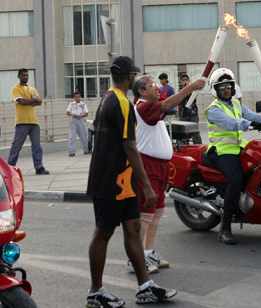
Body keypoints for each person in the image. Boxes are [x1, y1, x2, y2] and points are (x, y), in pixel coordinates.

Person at [86, 56, 177, 307]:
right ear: (130, 77)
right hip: (110, 180)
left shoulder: (107, 98)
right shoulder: (123, 104)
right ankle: (96, 292)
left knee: (133, 229)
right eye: (135, 75)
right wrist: (146, 184)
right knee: (103, 232)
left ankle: (145, 286)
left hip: (122, 181)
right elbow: (130, 146)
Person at [126, 74, 205, 274]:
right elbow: (165, 106)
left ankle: (148, 251)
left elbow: (166, 105)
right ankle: (135, 258)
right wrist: (190, 88)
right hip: (148, 166)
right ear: (142, 91)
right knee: (145, 213)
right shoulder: (143, 107)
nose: (157, 88)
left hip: (162, 167)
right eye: (152, 85)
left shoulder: (154, 106)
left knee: (157, 211)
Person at [204, 68, 261, 245]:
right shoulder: (213, 109)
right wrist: (253, 125)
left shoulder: (236, 105)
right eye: (222, 87)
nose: (226, 89)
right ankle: (225, 228)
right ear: (216, 89)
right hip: (221, 151)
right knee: (235, 181)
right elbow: (232, 123)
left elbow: (254, 116)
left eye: (228, 86)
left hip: (238, 148)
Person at [8, 68, 49, 175]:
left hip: (34, 122)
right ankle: (10, 168)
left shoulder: (32, 89)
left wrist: (30, 101)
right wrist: (33, 100)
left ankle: (39, 167)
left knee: (37, 146)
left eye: (27, 75)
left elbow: (39, 102)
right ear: (19, 77)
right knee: (16, 146)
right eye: (23, 75)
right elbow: (20, 101)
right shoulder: (15, 89)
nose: (25, 77)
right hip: (21, 122)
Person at [177, 74, 202, 144]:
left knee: (195, 132)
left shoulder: (193, 91)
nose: (185, 81)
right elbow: (179, 104)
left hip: (192, 114)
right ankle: (182, 147)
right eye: (183, 80)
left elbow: (194, 97)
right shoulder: (180, 92)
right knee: (182, 132)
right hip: (183, 114)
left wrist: (189, 88)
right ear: (181, 82)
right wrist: (178, 113)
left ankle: (199, 146)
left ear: (189, 81)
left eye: (186, 80)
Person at [66, 91, 89, 156]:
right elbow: (67, 112)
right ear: (73, 98)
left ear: (80, 97)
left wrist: (81, 116)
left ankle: (86, 149)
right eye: (76, 97)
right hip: (74, 120)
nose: (77, 98)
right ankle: (71, 151)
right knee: (72, 136)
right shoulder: (71, 104)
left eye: (78, 97)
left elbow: (86, 113)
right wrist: (72, 114)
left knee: (83, 135)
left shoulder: (83, 105)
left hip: (81, 120)